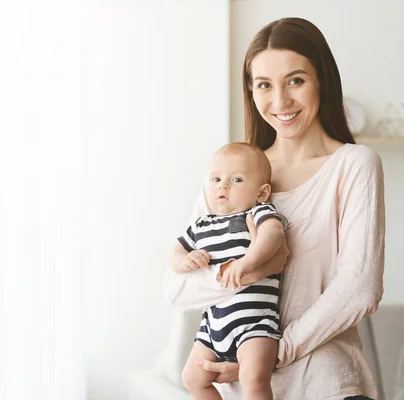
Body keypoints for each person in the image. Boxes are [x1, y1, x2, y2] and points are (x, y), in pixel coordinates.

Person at [164, 17, 384, 400]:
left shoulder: (354, 165)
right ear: (251, 92)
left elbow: (359, 288)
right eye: (264, 85)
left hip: (325, 385)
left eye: (296, 80)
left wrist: (269, 357)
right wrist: (250, 269)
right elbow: (177, 288)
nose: (280, 101)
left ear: (323, 81)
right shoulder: (233, 174)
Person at [179, 142, 288, 400]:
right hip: (213, 326)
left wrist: (247, 262)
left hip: (254, 323)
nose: (223, 185)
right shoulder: (201, 224)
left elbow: (274, 235)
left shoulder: (256, 212)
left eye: (236, 179)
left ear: (262, 193)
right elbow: (176, 252)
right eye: (216, 179)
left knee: (254, 378)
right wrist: (186, 259)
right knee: (192, 378)